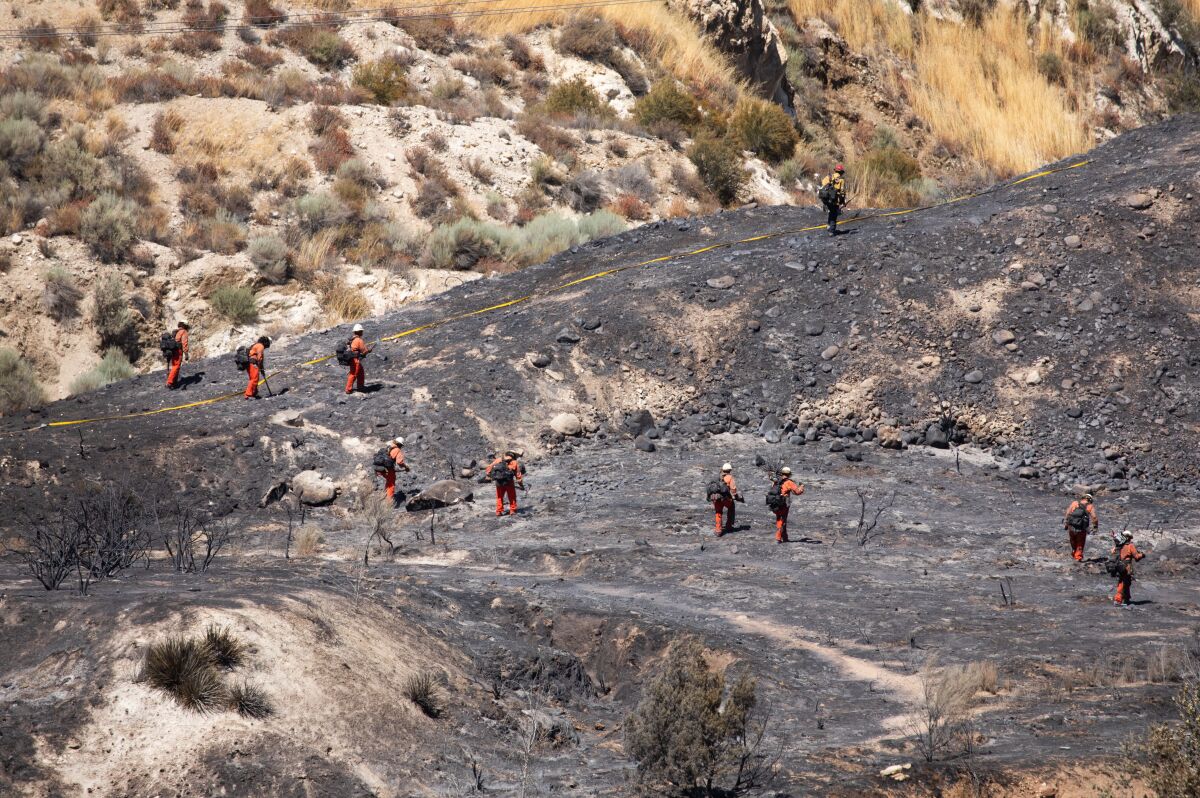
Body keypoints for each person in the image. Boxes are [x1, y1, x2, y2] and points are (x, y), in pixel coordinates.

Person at [767, 467, 805, 543]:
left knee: (780, 519)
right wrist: (801, 487)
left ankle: (785, 538)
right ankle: (778, 538)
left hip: (775, 503)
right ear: (789, 474)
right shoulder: (789, 482)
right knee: (781, 520)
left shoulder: (776, 481)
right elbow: (797, 492)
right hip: (784, 504)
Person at [1111, 529, 1145, 607]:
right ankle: (1118, 600)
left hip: (1118, 566)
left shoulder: (1118, 546)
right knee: (1123, 583)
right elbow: (1136, 557)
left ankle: (1126, 599)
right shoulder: (1130, 546)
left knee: (1125, 582)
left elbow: (1112, 553)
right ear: (1128, 538)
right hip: (1126, 567)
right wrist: (1142, 555)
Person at [487, 451, 524, 517]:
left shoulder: (498, 460)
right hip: (509, 482)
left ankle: (499, 511)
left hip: (499, 482)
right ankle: (512, 510)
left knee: (499, 497)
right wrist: (521, 485)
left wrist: (491, 476)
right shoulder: (514, 462)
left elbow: (489, 468)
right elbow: (518, 476)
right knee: (512, 497)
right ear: (513, 456)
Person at [1063, 493, 1098, 562]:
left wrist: (1066, 523)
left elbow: (1068, 513)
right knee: (1080, 543)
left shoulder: (1074, 503)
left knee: (1072, 540)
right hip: (1081, 528)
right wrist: (1095, 527)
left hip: (1071, 526)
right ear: (1090, 500)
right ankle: (1078, 558)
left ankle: (1073, 552)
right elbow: (1094, 517)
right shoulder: (1090, 506)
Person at [376, 436, 410, 506]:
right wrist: (406, 467)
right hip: (388, 470)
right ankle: (388, 503)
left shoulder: (389, 446)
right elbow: (400, 462)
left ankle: (383, 496)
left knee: (388, 483)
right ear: (400, 444)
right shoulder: (397, 450)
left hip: (380, 468)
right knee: (391, 485)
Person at [711, 463, 741, 537]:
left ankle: (718, 530)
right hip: (725, 498)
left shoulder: (717, 477)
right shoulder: (730, 477)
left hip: (716, 498)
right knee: (731, 508)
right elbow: (733, 490)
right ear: (730, 470)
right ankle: (728, 526)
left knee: (718, 512)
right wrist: (736, 496)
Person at [819, 164, 847, 236]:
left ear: (835, 170)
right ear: (841, 172)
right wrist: (843, 201)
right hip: (835, 200)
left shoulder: (829, 176)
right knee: (834, 214)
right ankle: (831, 231)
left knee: (831, 212)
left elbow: (822, 184)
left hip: (827, 199)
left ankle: (829, 226)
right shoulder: (841, 180)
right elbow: (842, 192)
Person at [345, 323, 372, 395]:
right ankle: (348, 389)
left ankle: (360, 386)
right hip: (355, 360)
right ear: (360, 332)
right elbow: (364, 351)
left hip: (352, 359)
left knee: (360, 372)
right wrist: (368, 350)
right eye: (362, 331)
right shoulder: (359, 340)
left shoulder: (352, 339)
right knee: (353, 374)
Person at [166, 319, 189, 389]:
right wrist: (186, 353)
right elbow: (184, 343)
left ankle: (174, 382)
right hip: (178, 351)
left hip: (173, 351)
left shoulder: (176, 331)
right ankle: (169, 382)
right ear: (185, 325)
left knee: (174, 366)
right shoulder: (183, 332)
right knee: (176, 366)